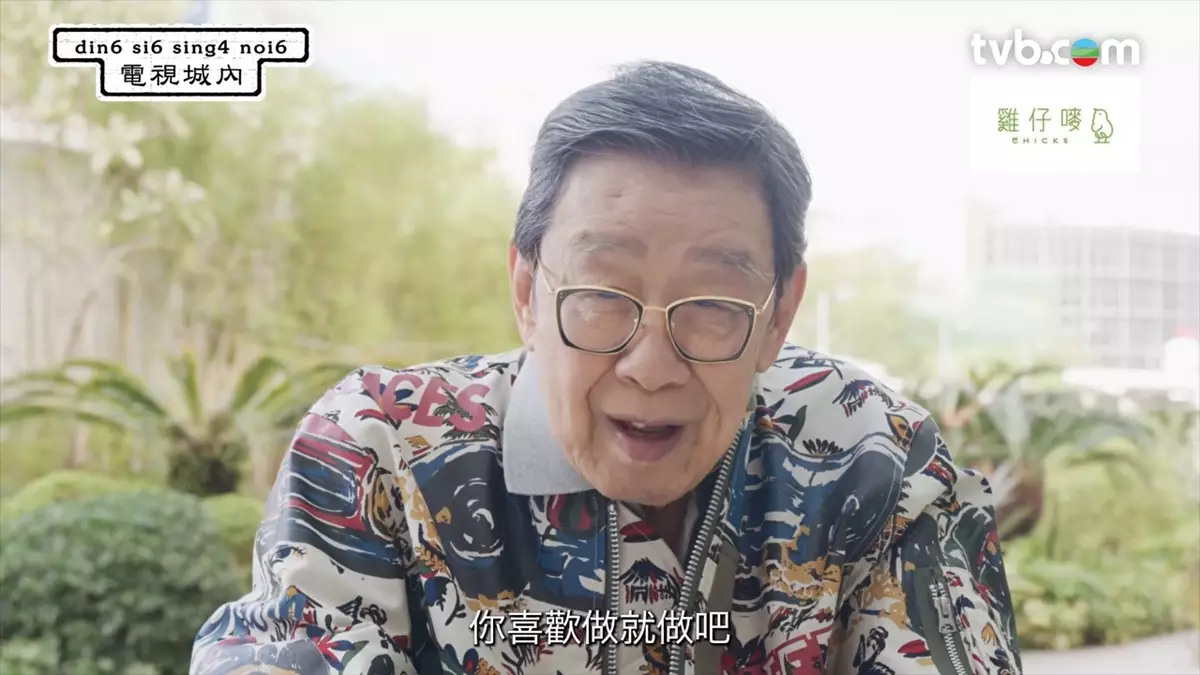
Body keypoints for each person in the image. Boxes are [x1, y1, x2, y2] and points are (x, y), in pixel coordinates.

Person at [191, 61, 1021, 675]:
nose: (651, 367)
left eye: (712, 303)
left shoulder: (879, 459)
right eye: (601, 294)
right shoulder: (380, 448)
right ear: (526, 289)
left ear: (779, 314)